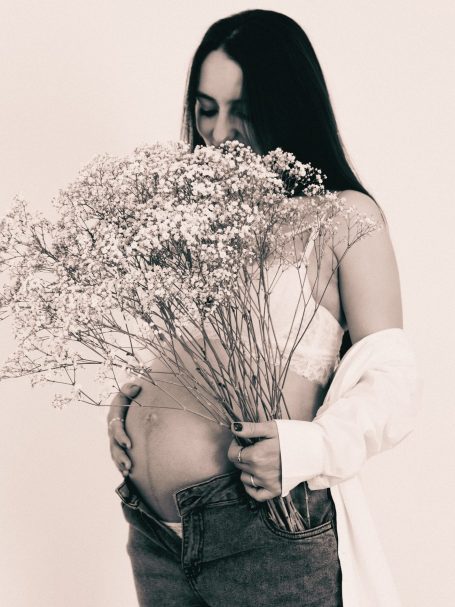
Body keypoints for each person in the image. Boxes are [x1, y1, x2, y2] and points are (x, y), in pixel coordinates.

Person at [107, 9, 418, 606]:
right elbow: (196, 351)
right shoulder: (197, 218)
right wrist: (138, 402)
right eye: (206, 109)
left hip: (261, 529)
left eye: (242, 111)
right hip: (154, 533)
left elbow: (394, 385)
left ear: (287, 107)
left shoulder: (343, 217)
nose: (219, 132)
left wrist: (307, 450)